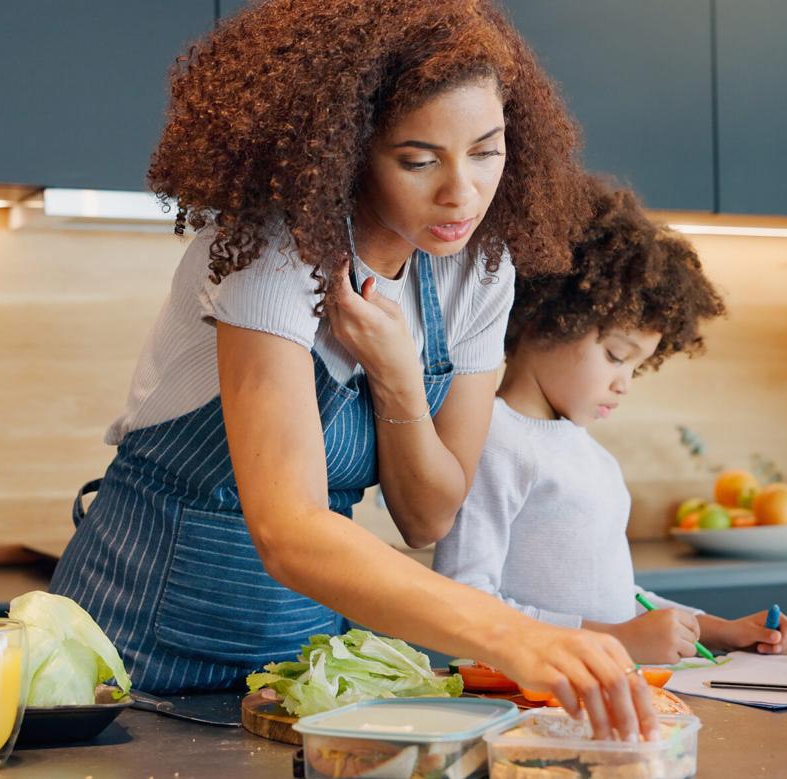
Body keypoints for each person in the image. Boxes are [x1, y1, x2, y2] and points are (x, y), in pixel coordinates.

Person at [50, 0, 656, 739]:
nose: (461, 193)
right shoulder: (274, 250)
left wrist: (397, 376)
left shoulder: (478, 273)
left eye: (487, 150)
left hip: (296, 663)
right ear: (346, 149)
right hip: (139, 650)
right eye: (418, 159)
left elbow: (429, 513)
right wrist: (517, 636)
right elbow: (289, 528)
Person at [432, 181, 787, 663]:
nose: (625, 383)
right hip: (521, 703)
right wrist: (616, 641)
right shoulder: (493, 439)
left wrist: (721, 631)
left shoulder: (591, 455)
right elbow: (464, 602)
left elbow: (615, 599)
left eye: (636, 366)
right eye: (615, 356)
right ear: (548, 318)